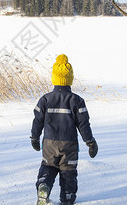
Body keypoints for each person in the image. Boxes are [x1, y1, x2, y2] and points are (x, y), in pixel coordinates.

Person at [30, 54, 98, 205]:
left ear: (54, 78)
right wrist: (90, 142)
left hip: (49, 143)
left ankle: (43, 186)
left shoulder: (45, 99)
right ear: (70, 79)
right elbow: (84, 124)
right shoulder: (77, 101)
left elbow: (37, 120)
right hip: (69, 145)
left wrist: (34, 137)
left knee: (48, 166)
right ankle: (67, 198)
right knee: (68, 172)